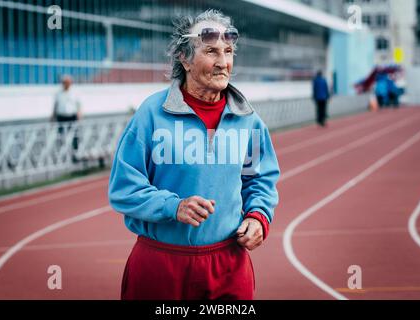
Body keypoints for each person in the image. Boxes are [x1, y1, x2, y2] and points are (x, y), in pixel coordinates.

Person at [108, 9, 280, 300]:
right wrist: (173, 206)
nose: (223, 62)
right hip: (161, 265)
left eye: (228, 51)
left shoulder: (248, 120)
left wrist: (257, 216)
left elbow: (258, 181)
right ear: (184, 58)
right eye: (211, 51)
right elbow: (123, 189)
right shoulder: (151, 114)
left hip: (228, 266)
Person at [52, 75, 82, 159]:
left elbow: (79, 105)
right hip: (61, 116)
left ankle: (75, 154)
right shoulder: (58, 93)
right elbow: (55, 105)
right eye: (64, 83)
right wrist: (53, 116)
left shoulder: (75, 93)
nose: (66, 84)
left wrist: (79, 114)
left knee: (74, 136)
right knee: (61, 136)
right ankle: (62, 154)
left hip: (72, 116)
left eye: (67, 82)